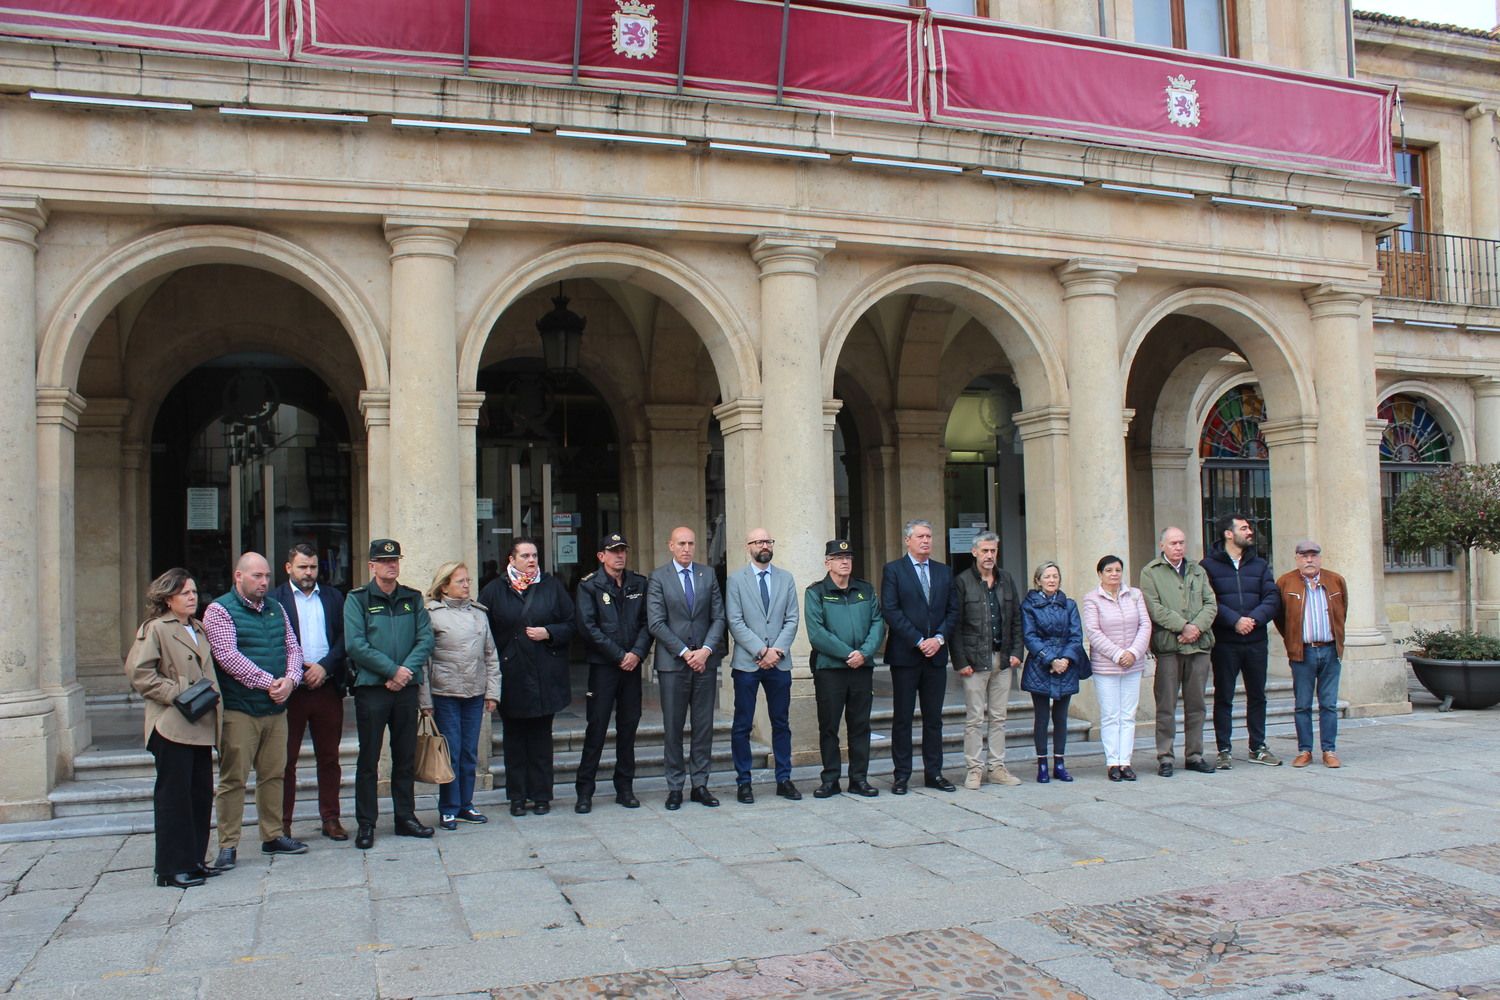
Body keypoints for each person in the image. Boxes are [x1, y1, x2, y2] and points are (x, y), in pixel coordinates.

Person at [204, 552, 307, 869]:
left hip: (276, 709)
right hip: (240, 709)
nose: (264, 582)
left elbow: (293, 647)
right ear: (239, 576)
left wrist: (290, 681)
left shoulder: (276, 608)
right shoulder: (219, 610)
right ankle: (228, 844)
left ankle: (273, 835)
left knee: (274, 774)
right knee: (233, 779)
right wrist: (270, 683)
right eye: (256, 576)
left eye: (266, 576)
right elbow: (228, 657)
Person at [125, 568, 221, 888]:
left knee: (199, 795)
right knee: (173, 799)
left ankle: (194, 859)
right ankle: (170, 867)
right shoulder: (155, 629)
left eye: (194, 592)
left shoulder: (199, 628)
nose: (192, 597)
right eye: (185, 593)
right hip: (171, 725)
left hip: (201, 725)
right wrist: (178, 692)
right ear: (168, 598)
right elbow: (140, 674)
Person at [345, 538, 436, 849]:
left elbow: (425, 639)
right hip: (373, 689)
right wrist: (391, 671)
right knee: (368, 759)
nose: (391, 565)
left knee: (405, 757)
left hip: (405, 689)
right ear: (372, 566)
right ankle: (366, 824)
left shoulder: (412, 598)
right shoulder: (357, 599)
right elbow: (356, 644)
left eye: (395, 560)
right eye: (384, 561)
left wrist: (405, 671)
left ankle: (405, 817)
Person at [478, 538, 576, 817]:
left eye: (534, 555)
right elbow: (484, 632)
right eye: (525, 556)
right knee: (515, 740)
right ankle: (517, 796)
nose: (531, 560)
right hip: (512, 675)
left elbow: (572, 623)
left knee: (541, 740)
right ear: (511, 559)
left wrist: (549, 632)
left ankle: (542, 795)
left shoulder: (552, 587)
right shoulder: (494, 590)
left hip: (546, 673)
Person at [270, 543, 348, 842]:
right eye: (303, 567)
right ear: (289, 568)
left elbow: (344, 637)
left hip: (326, 687)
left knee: (329, 757)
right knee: (285, 760)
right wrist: (298, 670)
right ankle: (283, 823)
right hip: (291, 691)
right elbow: (272, 641)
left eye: (313, 567)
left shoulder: (332, 596)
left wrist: (325, 667)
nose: (309, 572)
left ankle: (331, 818)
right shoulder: (275, 599)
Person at [646, 525, 727, 810]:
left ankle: (700, 784)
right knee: (673, 727)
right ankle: (675, 786)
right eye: (681, 543)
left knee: (703, 726)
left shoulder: (708, 575)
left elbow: (719, 617)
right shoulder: (658, 577)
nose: (686, 549)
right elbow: (656, 622)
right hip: (673, 664)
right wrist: (684, 652)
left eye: (691, 543)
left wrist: (705, 650)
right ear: (670, 545)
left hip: (705, 663)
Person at [574, 532, 652, 813]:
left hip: (632, 668)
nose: (620, 555)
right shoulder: (589, 586)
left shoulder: (638, 583)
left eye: (623, 550)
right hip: (604, 668)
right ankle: (585, 791)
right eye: (614, 550)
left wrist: (637, 654)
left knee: (628, 728)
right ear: (601, 556)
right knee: (596, 728)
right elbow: (588, 627)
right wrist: (620, 656)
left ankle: (625, 787)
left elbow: (648, 622)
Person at [880, 519, 960, 794]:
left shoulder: (943, 572)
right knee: (902, 718)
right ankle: (901, 775)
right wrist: (918, 640)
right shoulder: (894, 570)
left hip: (936, 656)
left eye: (929, 536)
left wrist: (937, 639)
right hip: (906, 656)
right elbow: (890, 610)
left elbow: (953, 611)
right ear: (908, 540)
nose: (926, 541)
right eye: (920, 536)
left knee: (933, 718)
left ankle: (934, 773)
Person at [419, 561, 500, 830]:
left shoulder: (479, 613)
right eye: (460, 582)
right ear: (444, 585)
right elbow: (424, 661)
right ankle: (449, 807)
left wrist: (492, 692)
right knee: (450, 752)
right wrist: (425, 701)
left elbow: (491, 655)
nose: (467, 586)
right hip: (445, 693)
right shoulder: (431, 614)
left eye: (467, 581)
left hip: (474, 692)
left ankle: (467, 803)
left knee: (469, 752)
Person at [726, 528, 801, 803]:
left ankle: (784, 778)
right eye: (758, 541)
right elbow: (735, 621)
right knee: (742, 724)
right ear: (748, 547)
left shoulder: (786, 578)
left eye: (768, 540)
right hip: (748, 663)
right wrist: (761, 650)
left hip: (779, 664)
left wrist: (776, 651)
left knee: (781, 722)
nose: (764, 545)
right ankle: (744, 782)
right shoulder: (735, 581)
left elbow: (792, 619)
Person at [1201, 514, 1282, 769]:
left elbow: (1272, 597)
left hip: (1256, 640)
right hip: (1226, 641)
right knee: (1224, 696)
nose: (1249, 532)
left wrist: (1254, 620)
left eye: (1249, 528)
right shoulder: (1208, 566)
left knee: (1257, 695)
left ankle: (1257, 746)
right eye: (1244, 528)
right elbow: (1210, 600)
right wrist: (1235, 620)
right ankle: (1223, 749)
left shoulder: (1258, 565)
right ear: (1228, 533)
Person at [805, 539, 884, 798]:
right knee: (829, 725)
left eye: (848, 556)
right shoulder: (816, 592)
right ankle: (830, 779)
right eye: (839, 557)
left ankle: (859, 778)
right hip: (830, 670)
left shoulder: (865, 590)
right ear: (828, 563)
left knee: (860, 725)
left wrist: (864, 653)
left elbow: (877, 624)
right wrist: (847, 653)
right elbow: (817, 633)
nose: (845, 561)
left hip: (861, 669)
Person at [1139, 526, 1218, 777]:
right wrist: (1182, 626)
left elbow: (1210, 603)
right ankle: (1165, 757)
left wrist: (1195, 627)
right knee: (1166, 705)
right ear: (1162, 545)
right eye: (1173, 543)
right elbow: (1154, 607)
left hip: (1199, 646)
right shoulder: (1150, 572)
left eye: (1182, 542)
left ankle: (1195, 755)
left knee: (1197, 705)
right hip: (1169, 648)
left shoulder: (1197, 570)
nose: (1178, 547)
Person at [950, 531, 1024, 789]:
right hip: (974, 660)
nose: (989, 555)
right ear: (974, 552)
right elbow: (955, 625)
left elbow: (1016, 618)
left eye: (993, 551)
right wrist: (960, 661)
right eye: (985, 551)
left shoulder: (1007, 579)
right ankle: (974, 769)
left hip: (1002, 659)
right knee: (974, 719)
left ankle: (997, 767)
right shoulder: (962, 582)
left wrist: (1016, 652)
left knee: (999, 717)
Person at [1273, 540, 1347, 769]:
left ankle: (1329, 750)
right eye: (1304, 555)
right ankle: (1304, 750)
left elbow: (1343, 612)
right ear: (1296, 558)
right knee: (1302, 704)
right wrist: (1293, 640)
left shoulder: (1335, 580)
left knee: (1329, 704)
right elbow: (1280, 618)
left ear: (1320, 558)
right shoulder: (1286, 582)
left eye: (1313, 555)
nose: (1309, 560)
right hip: (1303, 652)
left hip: (1329, 649)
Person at [1082, 555, 1152, 782]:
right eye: (1109, 570)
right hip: (1106, 666)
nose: (1114, 574)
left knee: (1128, 714)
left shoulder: (1135, 595)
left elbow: (1145, 624)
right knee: (1111, 715)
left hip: (1133, 663)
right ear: (1100, 574)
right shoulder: (1092, 599)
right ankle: (1112, 761)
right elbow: (1093, 631)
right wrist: (1118, 654)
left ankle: (1126, 761)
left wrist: (1133, 652)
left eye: (1118, 570)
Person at [1020, 561, 1086, 783]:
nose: (1051, 580)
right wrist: (1050, 659)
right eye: (1047, 576)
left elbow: (1076, 635)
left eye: (1055, 576)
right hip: (1040, 665)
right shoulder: (1029, 605)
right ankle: (1041, 764)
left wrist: (1065, 658)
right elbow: (1029, 636)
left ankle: (1059, 762)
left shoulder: (1069, 605)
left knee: (1061, 717)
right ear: (1038, 580)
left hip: (1066, 664)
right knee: (1041, 717)